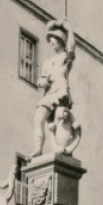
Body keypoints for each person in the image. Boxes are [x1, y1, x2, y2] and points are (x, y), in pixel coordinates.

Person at [32, 19, 76, 157]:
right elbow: (41, 80)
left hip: (60, 93)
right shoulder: (47, 63)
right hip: (49, 95)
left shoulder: (64, 58)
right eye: (50, 39)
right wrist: (42, 82)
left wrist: (69, 30)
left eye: (53, 39)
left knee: (58, 124)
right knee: (39, 120)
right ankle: (38, 149)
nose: (51, 42)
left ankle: (61, 150)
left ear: (61, 40)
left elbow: (72, 48)